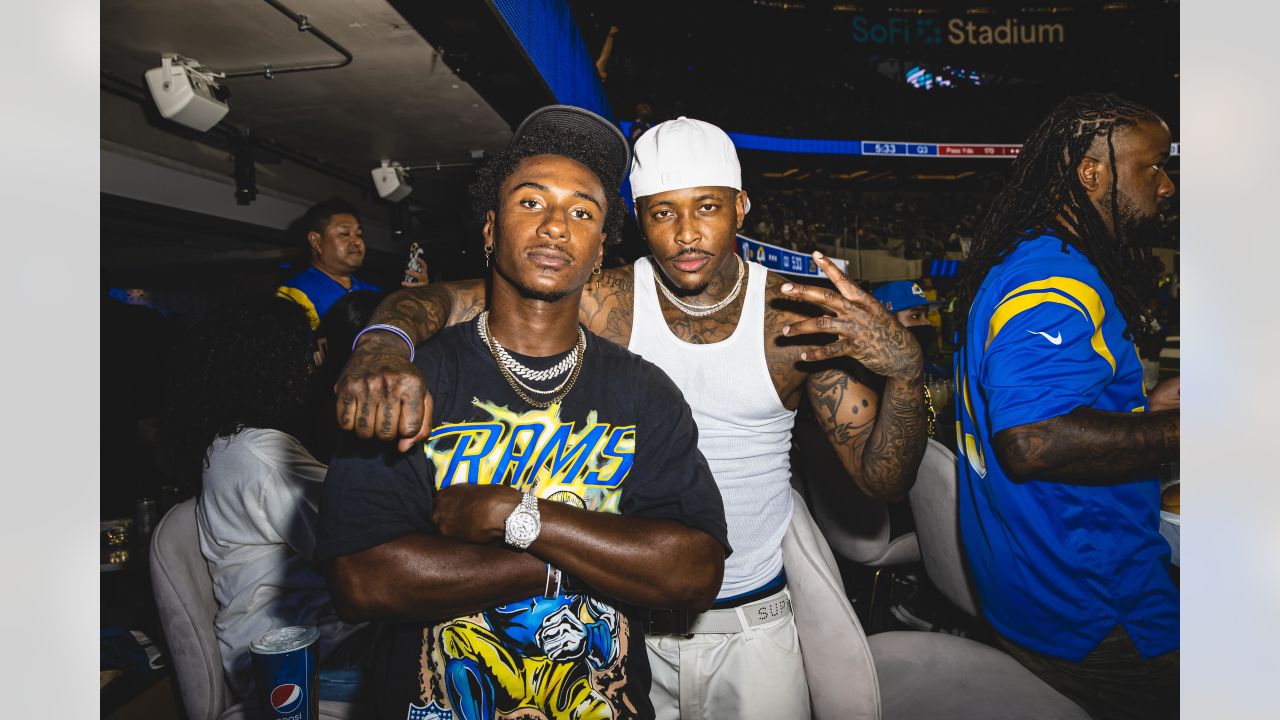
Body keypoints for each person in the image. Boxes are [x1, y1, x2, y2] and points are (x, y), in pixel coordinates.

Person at [332, 115, 926, 718]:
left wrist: (906, 375)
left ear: (741, 207)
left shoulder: (790, 322)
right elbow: (445, 299)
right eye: (664, 212)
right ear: (639, 221)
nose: (687, 234)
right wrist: (382, 343)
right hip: (620, 623)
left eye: (707, 208)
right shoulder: (602, 299)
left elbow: (883, 481)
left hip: (747, 617)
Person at [314, 105, 729, 720]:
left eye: (582, 212)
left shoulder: (644, 391)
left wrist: (518, 514)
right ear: (489, 231)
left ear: (599, 252)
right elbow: (364, 580)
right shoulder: (412, 380)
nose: (556, 226)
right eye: (532, 203)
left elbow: (693, 572)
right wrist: (567, 562)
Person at [952, 92, 1180, 720]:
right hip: (1098, 602)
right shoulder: (1053, 283)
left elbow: (1044, 401)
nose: (1167, 186)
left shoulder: (1024, 258)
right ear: (1091, 173)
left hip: (1035, 585)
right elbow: (1032, 440)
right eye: (1154, 166)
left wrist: (1149, 409)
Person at [164, 297, 365, 703]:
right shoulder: (262, 454)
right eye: (303, 354)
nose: (312, 365)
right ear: (276, 368)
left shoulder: (227, 444)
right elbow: (360, 539)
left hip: (271, 646)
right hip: (293, 664)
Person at [871, 280, 953, 449]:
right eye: (916, 316)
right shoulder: (870, 382)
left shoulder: (933, 372)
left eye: (926, 315)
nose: (927, 323)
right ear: (885, 324)